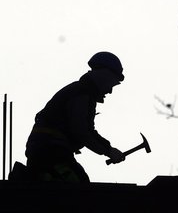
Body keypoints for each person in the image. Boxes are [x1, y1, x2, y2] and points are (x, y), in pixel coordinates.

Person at [23, 51, 126, 183]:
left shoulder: (80, 92)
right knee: (78, 187)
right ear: (104, 76)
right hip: (50, 153)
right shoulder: (82, 94)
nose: (110, 91)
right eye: (111, 84)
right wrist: (108, 150)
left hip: (48, 152)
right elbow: (82, 131)